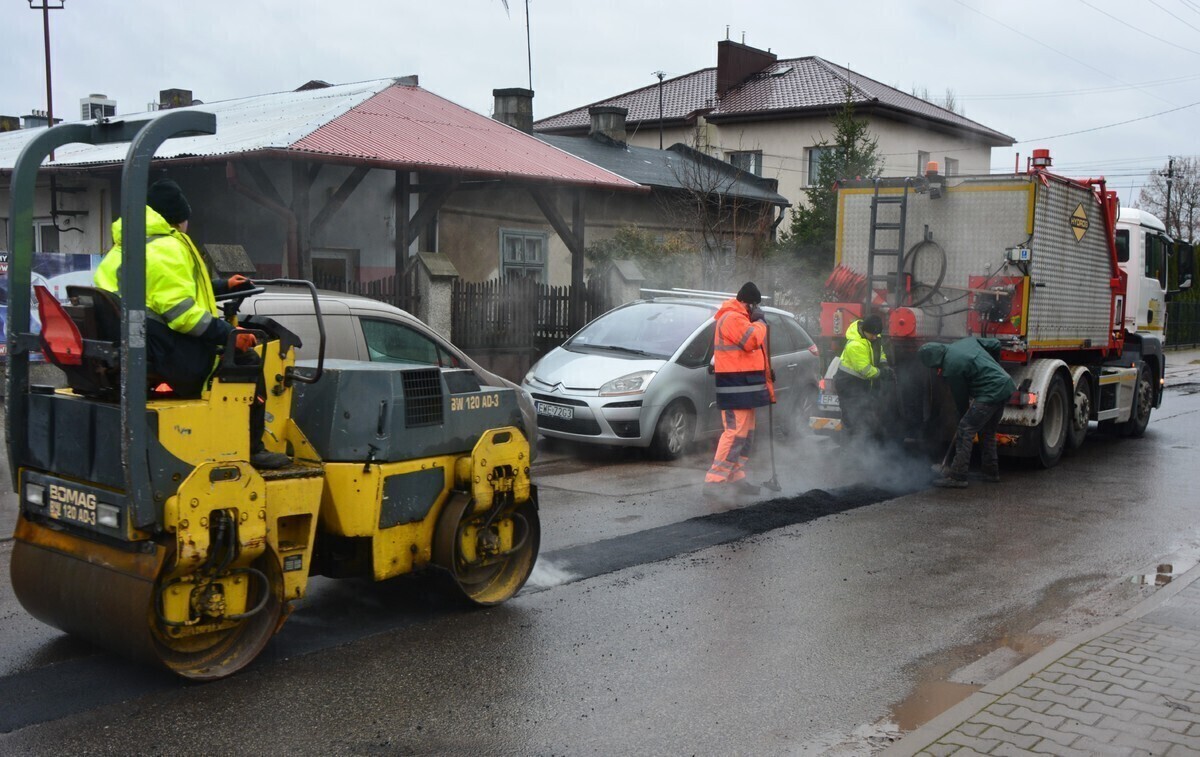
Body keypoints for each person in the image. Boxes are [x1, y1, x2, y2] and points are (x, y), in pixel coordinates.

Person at [94, 179, 289, 469]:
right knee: (246, 359)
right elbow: (182, 314)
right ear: (178, 219)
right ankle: (252, 448)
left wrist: (221, 286)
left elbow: (160, 292)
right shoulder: (168, 248)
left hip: (135, 347)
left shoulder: (123, 250)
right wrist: (229, 334)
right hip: (166, 353)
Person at [704, 281, 774, 500]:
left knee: (745, 434)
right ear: (748, 303)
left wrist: (766, 374)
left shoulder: (741, 318)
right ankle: (714, 481)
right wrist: (761, 322)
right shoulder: (733, 317)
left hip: (745, 385)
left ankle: (736, 477)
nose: (756, 310)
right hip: (736, 386)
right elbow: (751, 341)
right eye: (755, 306)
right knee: (734, 433)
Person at [918, 337, 1016, 488]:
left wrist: (963, 415)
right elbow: (995, 344)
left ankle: (958, 476)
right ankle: (990, 472)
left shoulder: (952, 367)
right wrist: (995, 365)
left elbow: (961, 399)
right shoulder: (966, 342)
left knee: (965, 429)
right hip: (1005, 385)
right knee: (987, 432)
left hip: (990, 393)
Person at [836, 314, 892, 439]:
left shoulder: (873, 337)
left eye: (876, 334)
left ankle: (862, 445)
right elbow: (865, 370)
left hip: (861, 385)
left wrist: (884, 364)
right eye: (872, 334)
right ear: (864, 330)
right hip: (848, 385)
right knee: (851, 419)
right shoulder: (855, 345)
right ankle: (848, 450)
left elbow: (880, 352)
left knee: (863, 417)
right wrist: (882, 373)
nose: (874, 337)